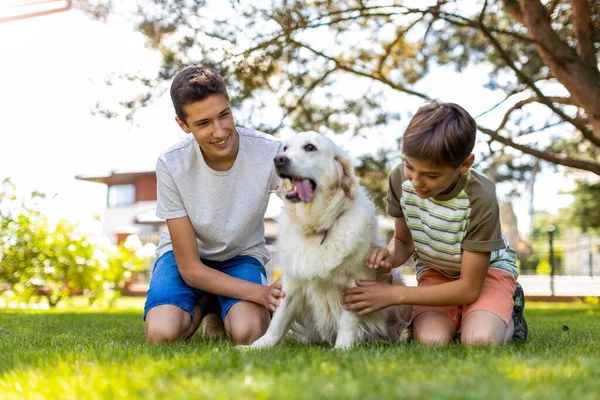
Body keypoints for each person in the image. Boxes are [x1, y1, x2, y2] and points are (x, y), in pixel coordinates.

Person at [341, 101, 528, 347]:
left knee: (479, 340)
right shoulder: (400, 178)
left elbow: (470, 287)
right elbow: (403, 242)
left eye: (432, 175)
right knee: (431, 341)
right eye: (410, 166)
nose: (417, 181)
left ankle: (506, 309)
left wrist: (394, 295)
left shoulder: (480, 195)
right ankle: (468, 316)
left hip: (485, 276)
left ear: (464, 164)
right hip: (436, 272)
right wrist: (387, 256)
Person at [144, 66, 284, 344]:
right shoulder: (172, 164)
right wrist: (261, 293)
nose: (220, 132)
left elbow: (310, 214)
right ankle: (209, 302)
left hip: (241, 256)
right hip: (187, 260)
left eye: (224, 115)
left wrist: (293, 275)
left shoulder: (270, 152)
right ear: (183, 125)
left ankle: (222, 304)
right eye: (203, 123)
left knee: (250, 332)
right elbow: (191, 269)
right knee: (162, 334)